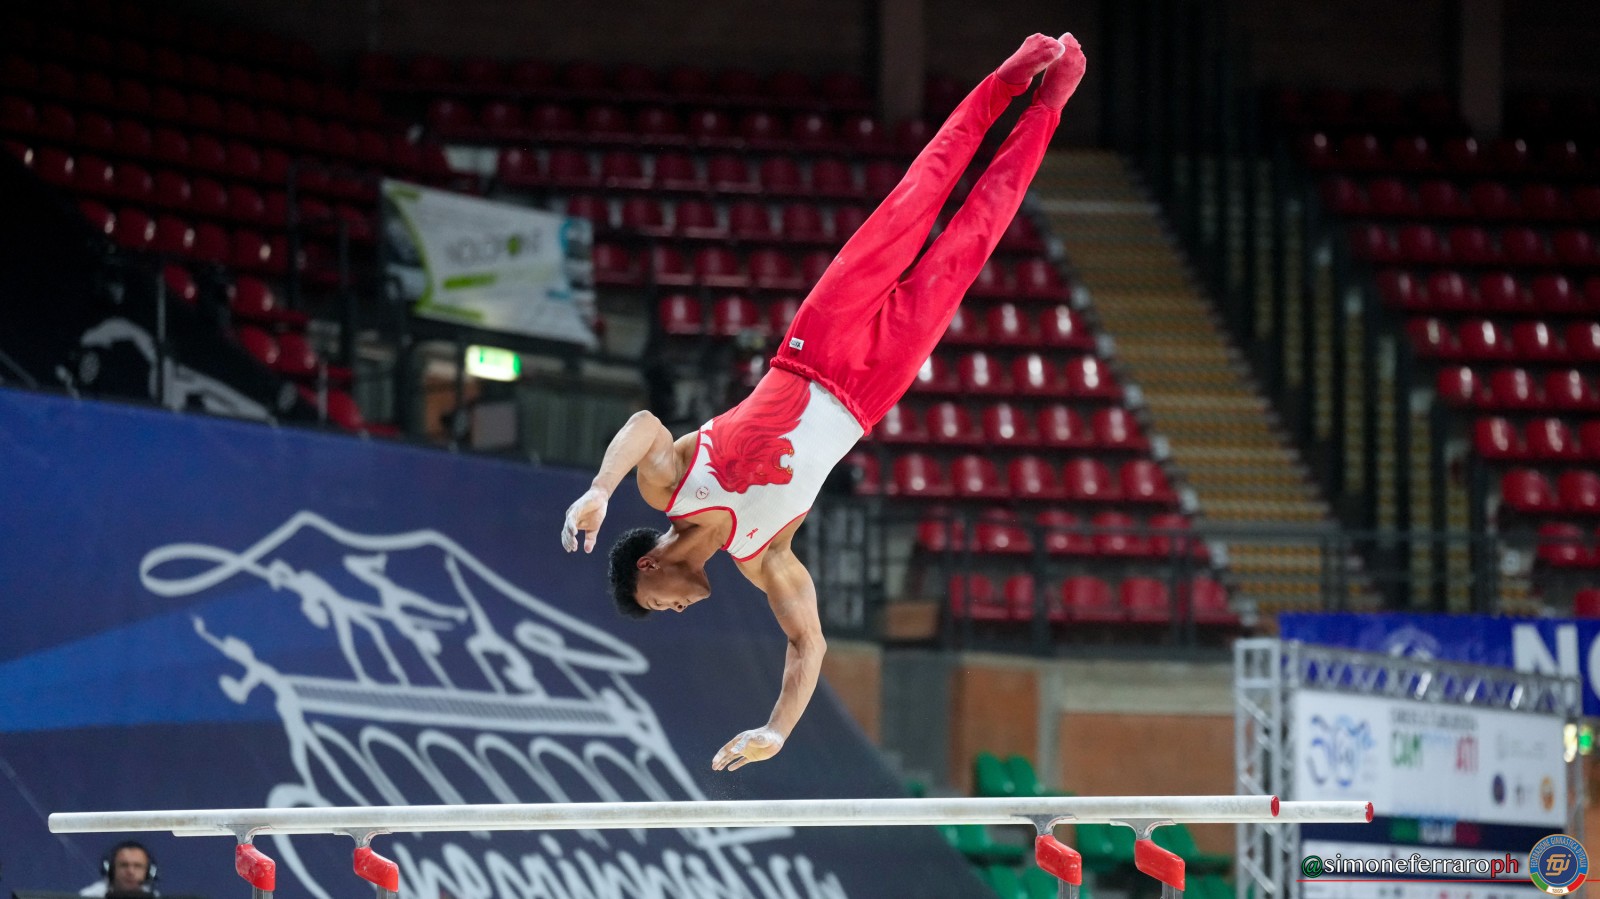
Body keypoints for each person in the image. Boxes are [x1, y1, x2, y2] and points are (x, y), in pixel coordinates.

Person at [561, 32, 1087, 771]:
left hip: (813, 346)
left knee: (919, 194)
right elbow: (808, 642)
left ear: (649, 566)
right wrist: (775, 730)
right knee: (972, 239)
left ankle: (1005, 83)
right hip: (868, 391)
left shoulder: (669, 486)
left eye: (660, 603)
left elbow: (644, 423)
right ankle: (1050, 104)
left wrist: (598, 490)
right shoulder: (764, 557)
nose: (676, 610)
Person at [79, 841, 157, 897]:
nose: (130, 872)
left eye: (137, 866)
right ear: (111, 869)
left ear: (149, 871)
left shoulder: (154, 897)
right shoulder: (89, 896)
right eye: (124, 865)